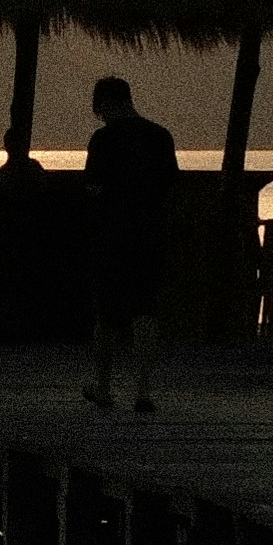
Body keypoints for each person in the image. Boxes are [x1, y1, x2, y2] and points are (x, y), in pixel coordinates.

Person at [79, 69, 177, 414]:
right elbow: (169, 185)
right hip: (150, 234)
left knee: (107, 314)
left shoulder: (103, 140)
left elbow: (92, 187)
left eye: (99, 108)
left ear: (104, 104)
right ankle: (143, 390)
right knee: (144, 312)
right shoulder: (160, 136)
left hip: (113, 236)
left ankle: (104, 386)